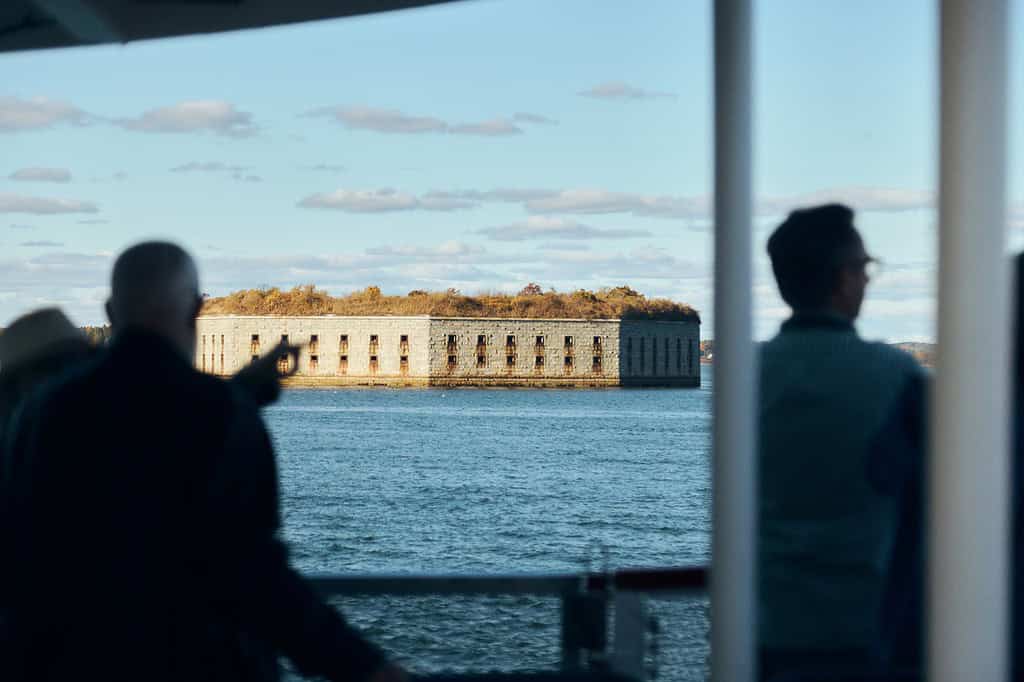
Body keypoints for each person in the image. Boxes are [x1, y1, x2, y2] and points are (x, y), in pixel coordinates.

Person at [2, 242, 404, 682]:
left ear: (110, 312)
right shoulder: (220, 413)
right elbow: (254, 573)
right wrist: (364, 667)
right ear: (196, 308)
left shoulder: (44, 413)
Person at [758, 204, 925, 680]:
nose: (868, 280)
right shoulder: (897, 377)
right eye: (864, 267)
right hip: (867, 632)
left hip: (763, 628)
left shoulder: (746, 376)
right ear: (844, 278)